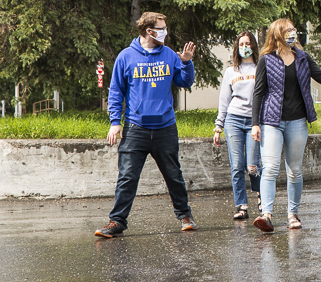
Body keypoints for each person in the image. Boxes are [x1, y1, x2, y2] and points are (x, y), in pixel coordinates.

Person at [250, 19, 321, 232]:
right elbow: (258, 93)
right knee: (270, 168)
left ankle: (293, 214)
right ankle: (267, 215)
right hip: (272, 121)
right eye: (288, 30)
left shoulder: (302, 57)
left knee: (294, 171)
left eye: (293, 30)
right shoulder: (266, 60)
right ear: (278, 34)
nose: (293, 33)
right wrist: (256, 124)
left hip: (298, 121)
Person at [96, 12, 197, 238]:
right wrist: (115, 122)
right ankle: (116, 222)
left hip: (165, 127)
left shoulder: (170, 55)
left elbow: (185, 81)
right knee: (127, 177)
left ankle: (185, 216)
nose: (165, 32)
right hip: (135, 128)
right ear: (149, 31)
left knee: (174, 175)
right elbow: (116, 92)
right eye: (161, 28)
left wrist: (187, 62)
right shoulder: (126, 57)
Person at [212, 31, 261, 220]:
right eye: (241, 44)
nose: (244, 47)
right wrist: (219, 126)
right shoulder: (231, 71)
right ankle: (242, 206)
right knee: (237, 166)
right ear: (236, 47)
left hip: (254, 121)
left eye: (248, 44)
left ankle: (260, 195)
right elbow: (224, 99)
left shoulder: (260, 67)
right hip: (233, 119)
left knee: (252, 166)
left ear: (253, 46)